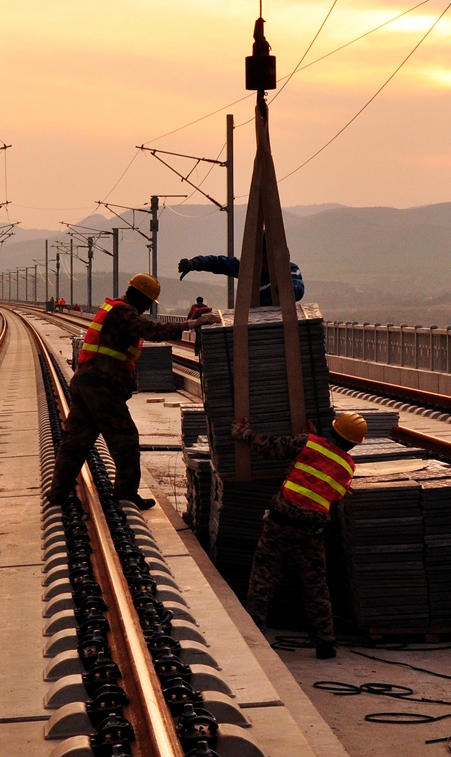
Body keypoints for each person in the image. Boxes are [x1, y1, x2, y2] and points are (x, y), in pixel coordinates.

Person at [49, 273, 221, 510]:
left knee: (75, 442)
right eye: (148, 302)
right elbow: (150, 330)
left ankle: (58, 493)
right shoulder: (123, 312)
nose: (148, 307)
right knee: (126, 441)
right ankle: (125, 494)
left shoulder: (114, 309)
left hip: (86, 382)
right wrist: (191, 324)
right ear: (139, 297)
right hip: (102, 386)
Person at [233, 411, 367, 658]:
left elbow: (272, 448)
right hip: (311, 532)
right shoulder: (348, 466)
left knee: (263, 578)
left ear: (333, 430)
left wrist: (244, 433)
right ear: (353, 443)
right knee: (315, 586)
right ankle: (324, 642)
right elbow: (334, 494)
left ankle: (254, 634)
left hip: (279, 523)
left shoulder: (309, 443)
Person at [178, 250, 304, 305]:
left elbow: (298, 287)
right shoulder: (248, 267)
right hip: (252, 320)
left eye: (267, 261)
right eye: (262, 261)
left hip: (281, 322)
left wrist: (288, 290)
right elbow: (218, 262)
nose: (263, 265)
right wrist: (194, 264)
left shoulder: (290, 270)